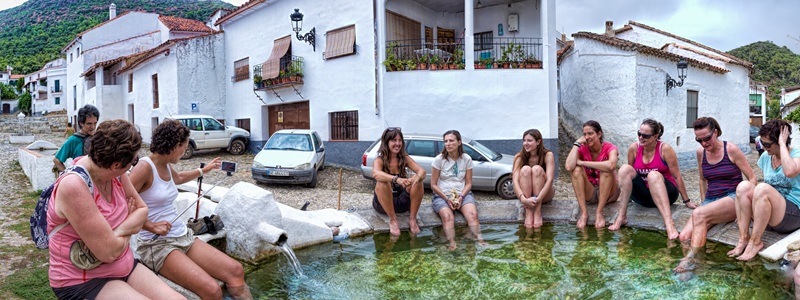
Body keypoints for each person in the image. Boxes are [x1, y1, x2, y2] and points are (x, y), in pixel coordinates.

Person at [47, 119, 183, 299]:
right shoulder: (74, 186)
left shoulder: (115, 175)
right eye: (133, 162)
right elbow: (108, 252)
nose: (133, 166)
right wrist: (129, 219)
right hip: (83, 279)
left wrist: (119, 230)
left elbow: (142, 210)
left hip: (124, 264)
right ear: (116, 165)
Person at [129, 119, 251, 300]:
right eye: (183, 147)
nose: (184, 151)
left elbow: (177, 179)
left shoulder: (165, 165)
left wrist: (203, 171)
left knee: (236, 270)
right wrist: (152, 227)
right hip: (157, 245)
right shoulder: (144, 167)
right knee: (212, 291)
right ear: (173, 146)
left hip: (182, 236)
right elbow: (122, 205)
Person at [674, 117, 755, 273]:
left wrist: (746, 208)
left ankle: (689, 263)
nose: (704, 143)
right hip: (712, 200)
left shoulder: (730, 149)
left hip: (733, 198)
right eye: (699, 140)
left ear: (715, 132)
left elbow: (751, 178)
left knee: (699, 214)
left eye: (707, 138)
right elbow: (702, 179)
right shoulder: (701, 153)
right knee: (683, 237)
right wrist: (705, 203)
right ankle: (701, 265)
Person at [608, 119, 693, 239]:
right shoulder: (634, 148)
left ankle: (669, 224)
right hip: (644, 196)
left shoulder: (665, 149)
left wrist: (687, 201)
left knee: (653, 175)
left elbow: (677, 176)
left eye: (645, 135)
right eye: (639, 134)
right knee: (624, 168)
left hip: (666, 193)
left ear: (655, 136)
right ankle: (621, 217)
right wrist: (623, 198)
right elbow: (629, 176)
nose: (641, 138)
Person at [729, 120, 800, 261]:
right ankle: (744, 238)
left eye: (767, 144)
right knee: (743, 186)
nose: (763, 147)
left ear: (780, 141)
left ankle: (755, 243)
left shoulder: (797, 154)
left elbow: (790, 171)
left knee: (762, 188)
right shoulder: (766, 157)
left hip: (793, 214)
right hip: (770, 214)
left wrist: (782, 145)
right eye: (761, 143)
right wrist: (744, 210)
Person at [430, 130, 486, 250]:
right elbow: (433, 185)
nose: (448, 144)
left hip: (463, 194)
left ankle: (480, 239)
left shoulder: (466, 159)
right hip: (442, 195)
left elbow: (469, 183)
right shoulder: (439, 160)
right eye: (445, 141)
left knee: (473, 214)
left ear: (459, 142)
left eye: (451, 140)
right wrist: (447, 199)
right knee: (447, 216)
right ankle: (452, 242)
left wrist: (460, 197)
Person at [565, 120, 620, 229]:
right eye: (584, 134)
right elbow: (568, 167)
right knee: (576, 170)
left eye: (590, 133)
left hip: (609, 192)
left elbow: (611, 165)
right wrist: (576, 144)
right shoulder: (582, 149)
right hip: (590, 192)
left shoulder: (610, 147)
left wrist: (583, 162)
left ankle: (599, 212)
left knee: (606, 170)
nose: (587, 137)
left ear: (599, 134)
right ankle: (584, 213)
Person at [372, 127, 425, 236]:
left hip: (402, 203)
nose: (397, 143)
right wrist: (396, 179)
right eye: (394, 140)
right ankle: (393, 220)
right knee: (382, 182)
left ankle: (412, 219)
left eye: (399, 140)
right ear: (386, 143)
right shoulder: (379, 160)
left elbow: (422, 171)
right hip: (383, 205)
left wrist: (415, 178)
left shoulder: (404, 158)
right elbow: (376, 173)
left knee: (418, 181)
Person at [512, 129, 555, 228]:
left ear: (538, 142)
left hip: (544, 194)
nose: (525, 143)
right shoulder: (519, 157)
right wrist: (523, 199)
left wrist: (538, 199)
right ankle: (528, 213)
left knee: (536, 169)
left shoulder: (547, 155)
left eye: (529, 141)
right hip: (526, 196)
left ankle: (537, 212)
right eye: (524, 140)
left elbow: (549, 180)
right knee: (525, 169)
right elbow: (515, 181)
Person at [53, 105, 99, 172]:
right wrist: (68, 176)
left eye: (95, 123)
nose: (93, 127)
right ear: (81, 123)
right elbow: (57, 160)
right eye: (89, 124)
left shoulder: (98, 137)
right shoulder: (73, 140)